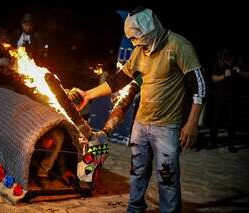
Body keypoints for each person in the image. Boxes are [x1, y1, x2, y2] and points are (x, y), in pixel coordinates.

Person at [70, 8, 207, 212]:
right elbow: (120, 80)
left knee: (167, 176)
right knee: (137, 172)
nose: (133, 43)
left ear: (149, 31)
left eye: (135, 38)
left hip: (167, 127)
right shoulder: (140, 50)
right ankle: (135, 208)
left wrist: (192, 123)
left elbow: (200, 84)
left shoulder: (179, 46)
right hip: (141, 125)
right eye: (131, 39)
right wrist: (88, 95)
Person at [208, 47, 241, 152]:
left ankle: (231, 144)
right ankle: (213, 141)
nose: (227, 57)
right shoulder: (218, 63)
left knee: (232, 121)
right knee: (216, 120)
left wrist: (239, 72)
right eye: (225, 55)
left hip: (233, 96)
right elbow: (213, 78)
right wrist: (224, 76)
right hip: (220, 96)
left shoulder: (237, 63)